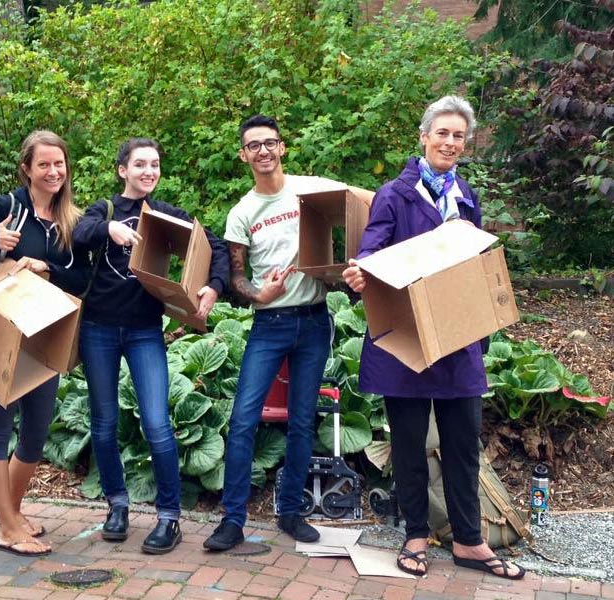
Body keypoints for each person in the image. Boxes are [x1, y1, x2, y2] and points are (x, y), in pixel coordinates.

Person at [342, 95, 525, 580]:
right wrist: (360, 274)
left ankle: (469, 540)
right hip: (407, 340)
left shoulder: (464, 195)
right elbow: (371, 253)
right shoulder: (394, 194)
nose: (449, 142)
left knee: (463, 443)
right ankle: (416, 535)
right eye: (441, 133)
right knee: (408, 445)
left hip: (458, 340)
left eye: (458, 135)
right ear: (424, 136)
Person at [72, 138, 229, 554]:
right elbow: (77, 233)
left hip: (145, 331)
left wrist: (213, 287)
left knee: (158, 423)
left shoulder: (166, 216)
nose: (149, 171)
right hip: (99, 330)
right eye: (140, 164)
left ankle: (169, 517)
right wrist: (109, 228)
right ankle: (117, 506)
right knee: (103, 425)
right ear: (122, 170)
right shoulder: (103, 210)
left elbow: (214, 246)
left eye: (155, 165)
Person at [204, 115, 333, 552]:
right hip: (270, 324)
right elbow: (237, 280)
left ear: (282, 147)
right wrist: (261, 292)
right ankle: (233, 520)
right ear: (244, 155)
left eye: (269, 143)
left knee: (301, 421)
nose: (262, 151)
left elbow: (352, 215)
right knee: (243, 421)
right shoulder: (241, 213)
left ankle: (291, 513)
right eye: (253, 145)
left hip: (315, 321)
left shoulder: (312, 191)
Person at [0, 130, 89, 557]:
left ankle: (15, 512)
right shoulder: (5, 208)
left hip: (43, 335)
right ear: (26, 168)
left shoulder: (71, 221)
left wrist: (47, 266)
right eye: (43, 164)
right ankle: (6, 527)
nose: (53, 171)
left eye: (58, 164)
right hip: (1, 333)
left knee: (36, 433)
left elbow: (81, 281)